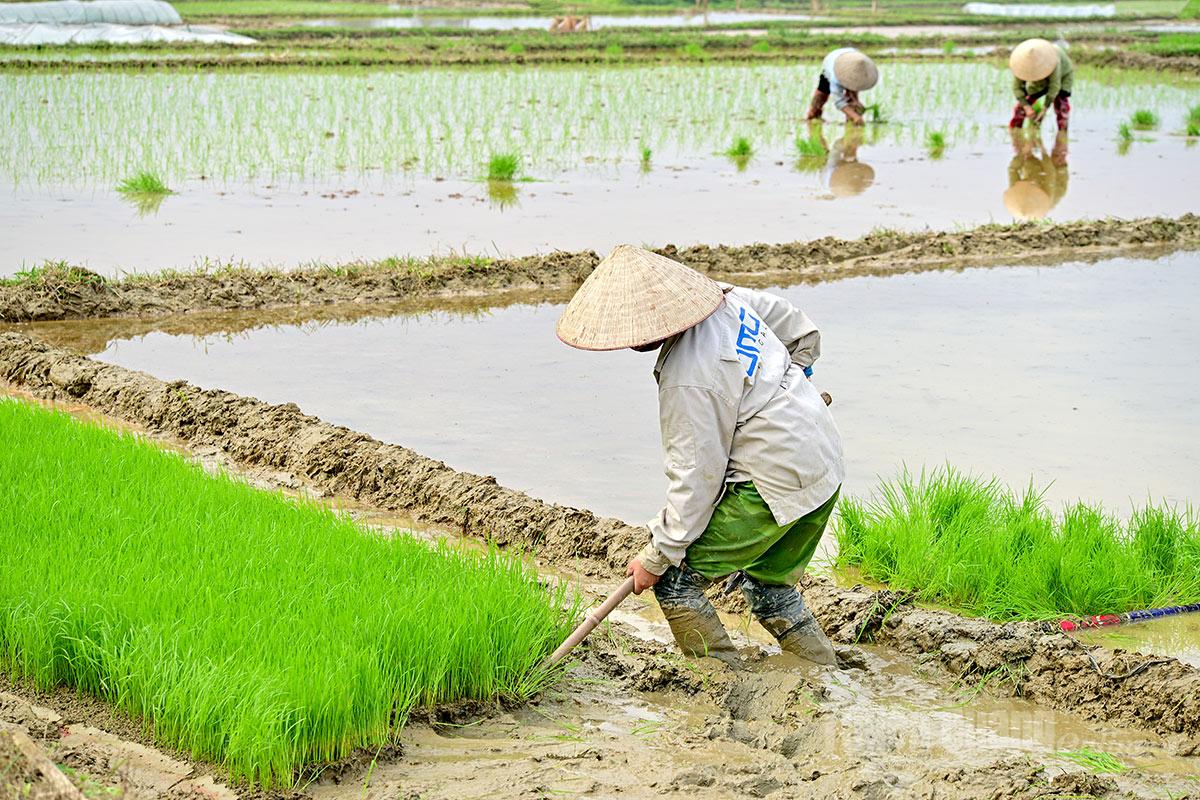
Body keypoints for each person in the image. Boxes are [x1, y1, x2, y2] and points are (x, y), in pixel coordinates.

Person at [556, 245, 845, 667]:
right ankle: (826, 674)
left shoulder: (687, 378)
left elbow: (697, 477)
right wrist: (787, 391)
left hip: (771, 485)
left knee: (675, 583)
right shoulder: (730, 300)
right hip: (823, 460)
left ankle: (721, 684)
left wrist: (659, 555)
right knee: (769, 586)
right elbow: (802, 333)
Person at [1004, 128, 1069, 221]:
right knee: (1055, 159)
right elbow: (1050, 171)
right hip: (1055, 180)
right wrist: (1041, 148)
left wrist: (1023, 153)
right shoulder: (1047, 195)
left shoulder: (1018, 192)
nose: (1027, 182)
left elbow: (1012, 169)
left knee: (1055, 156)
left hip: (1051, 179)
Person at [1008, 38, 1073, 131]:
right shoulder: (1021, 65)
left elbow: (1055, 86)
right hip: (1039, 81)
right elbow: (1017, 87)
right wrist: (1027, 107)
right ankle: (1015, 131)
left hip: (1062, 76)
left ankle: (1062, 134)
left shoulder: (1053, 61)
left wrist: (1044, 110)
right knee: (1020, 108)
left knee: (1061, 107)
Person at [806, 48, 879, 126]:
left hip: (851, 56)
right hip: (831, 61)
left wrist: (855, 102)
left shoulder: (861, 64)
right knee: (822, 92)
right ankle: (813, 115)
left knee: (852, 98)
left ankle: (851, 121)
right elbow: (838, 102)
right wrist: (855, 117)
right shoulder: (834, 77)